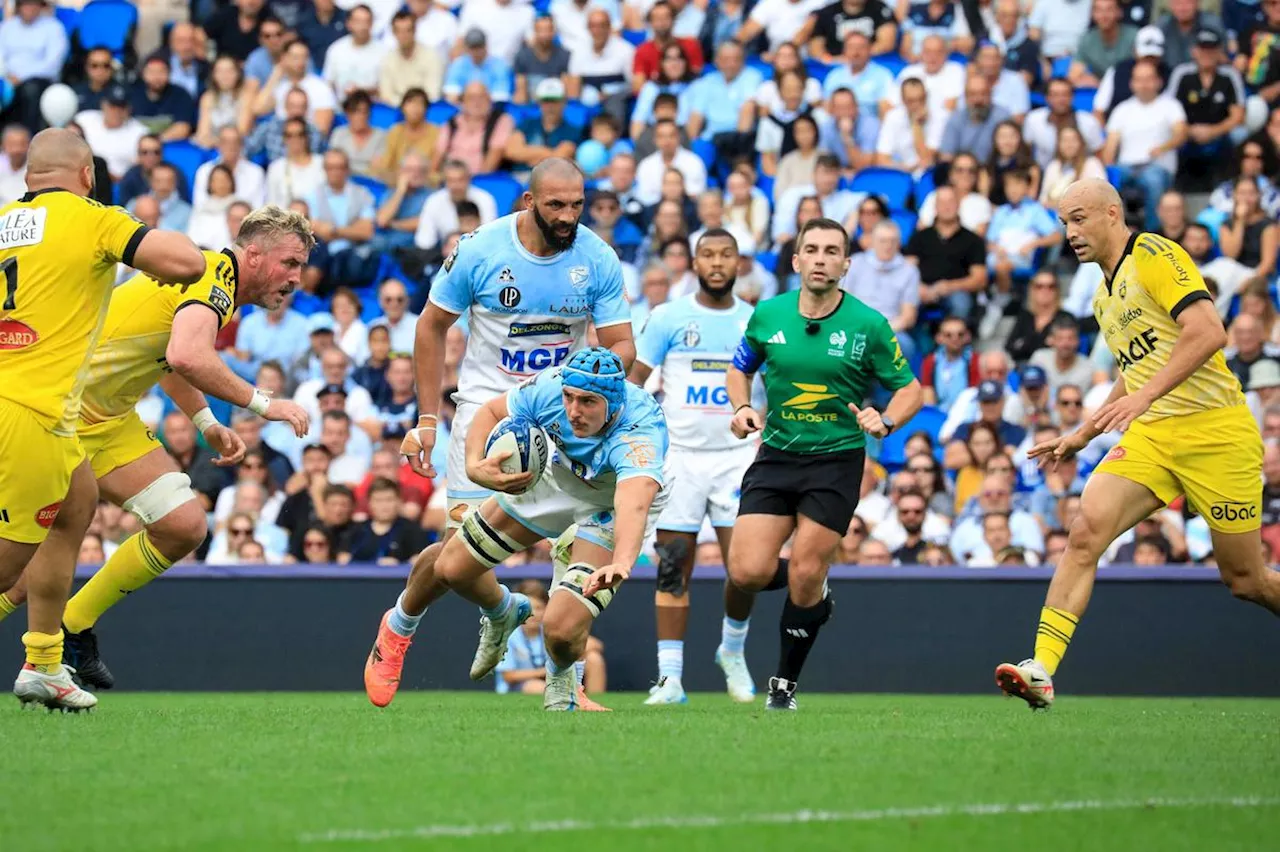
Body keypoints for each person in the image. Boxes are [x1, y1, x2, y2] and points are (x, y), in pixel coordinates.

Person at [996, 179, 1280, 711]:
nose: (1070, 232)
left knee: (1246, 580)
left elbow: (1208, 331)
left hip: (1215, 430)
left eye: (1079, 219)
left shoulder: (1153, 253)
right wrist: (1085, 431)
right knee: (1085, 531)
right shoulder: (1104, 295)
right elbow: (1137, 368)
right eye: (1063, 223)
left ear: (1111, 213)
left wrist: (1142, 397)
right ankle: (1040, 669)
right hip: (1154, 434)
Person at [0, 207, 314, 688]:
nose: (297, 278)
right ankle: (46, 657)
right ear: (253, 254)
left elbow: (169, 357)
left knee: (184, 526)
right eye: (290, 263)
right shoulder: (212, 276)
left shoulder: (212, 279)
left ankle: (74, 624)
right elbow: (186, 354)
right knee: (25, 574)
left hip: (107, 418)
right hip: (61, 414)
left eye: (301, 267)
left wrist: (206, 420)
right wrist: (261, 403)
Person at [361, 159, 634, 709]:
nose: (569, 216)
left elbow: (623, 346)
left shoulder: (597, 257)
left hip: (562, 422)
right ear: (528, 201)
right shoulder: (480, 250)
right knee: (457, 557)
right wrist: (428, 420)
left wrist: (586, 382)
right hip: (487, 420)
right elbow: (430, 326)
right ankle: (436, 621)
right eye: (556, 205)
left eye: (577, 205)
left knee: (573, 551)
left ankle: (565, 686)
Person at [0, 128, 205, 712]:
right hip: (33, 412)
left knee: (75, 505)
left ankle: (42, 661)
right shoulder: (92, 217)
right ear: (87, 174)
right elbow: (184, 261)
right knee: (7, 564)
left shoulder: (4, 219)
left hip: (21, 401)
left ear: (27, 176)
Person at [725, 217, 923, 710]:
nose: (820, 258)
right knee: (746, 572)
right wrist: (741, 407)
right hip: (776, 455)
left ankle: (784, 685)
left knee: (806, 571)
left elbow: (911, 389)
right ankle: (813, 590)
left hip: (835, 460)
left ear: (846, 264)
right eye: (811, 250)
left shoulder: (869, 324)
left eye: (831, 251)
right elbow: (739, 367)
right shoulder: (767, 314)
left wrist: (887, 421)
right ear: (795, 261)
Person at [627, 230, 761, 705]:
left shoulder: (756, 320)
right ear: (695, 262)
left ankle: (733, 651)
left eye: (726, 255)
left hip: (738, 458)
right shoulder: (668, 317)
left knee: (745, 571)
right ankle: (670, 678)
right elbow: (634, 384)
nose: (717, 262)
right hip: (679, 458)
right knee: (671, 569)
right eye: (708, 254)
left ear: (739, 263)